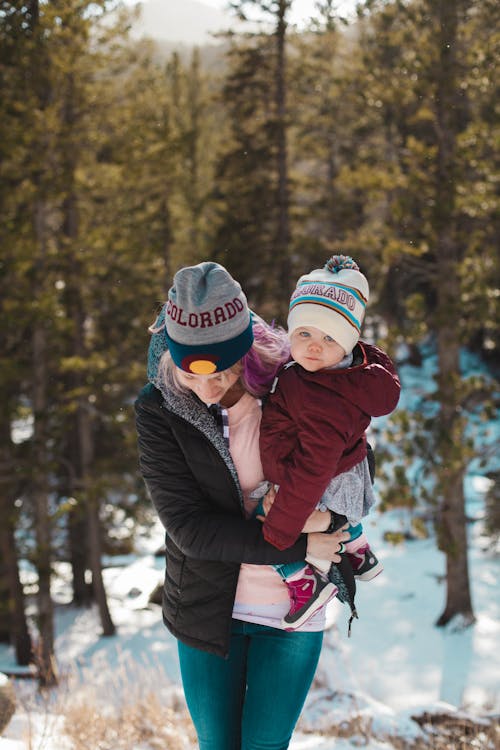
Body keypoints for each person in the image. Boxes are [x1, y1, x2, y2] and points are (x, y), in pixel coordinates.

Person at [135, 261, 350, 750]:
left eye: (224, 374)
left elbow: (350, 465)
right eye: (192, 375)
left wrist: (331, 523)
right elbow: (191, 528)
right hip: (208, 610)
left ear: (247, 351)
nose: (208, 390)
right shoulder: (160, 407)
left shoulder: (295, 384)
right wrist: (298, 543)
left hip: (291, 613)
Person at [259, 254, 401, 631]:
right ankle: (357, 548)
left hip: (322, 485)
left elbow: (313, 467)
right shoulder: (338, 373)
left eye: (329, 337)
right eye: (304, 333)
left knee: (264, 519)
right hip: (342, 479)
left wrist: (279, 529)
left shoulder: (320, 393)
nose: (314, 347)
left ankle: (304, 582)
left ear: (348, 342)